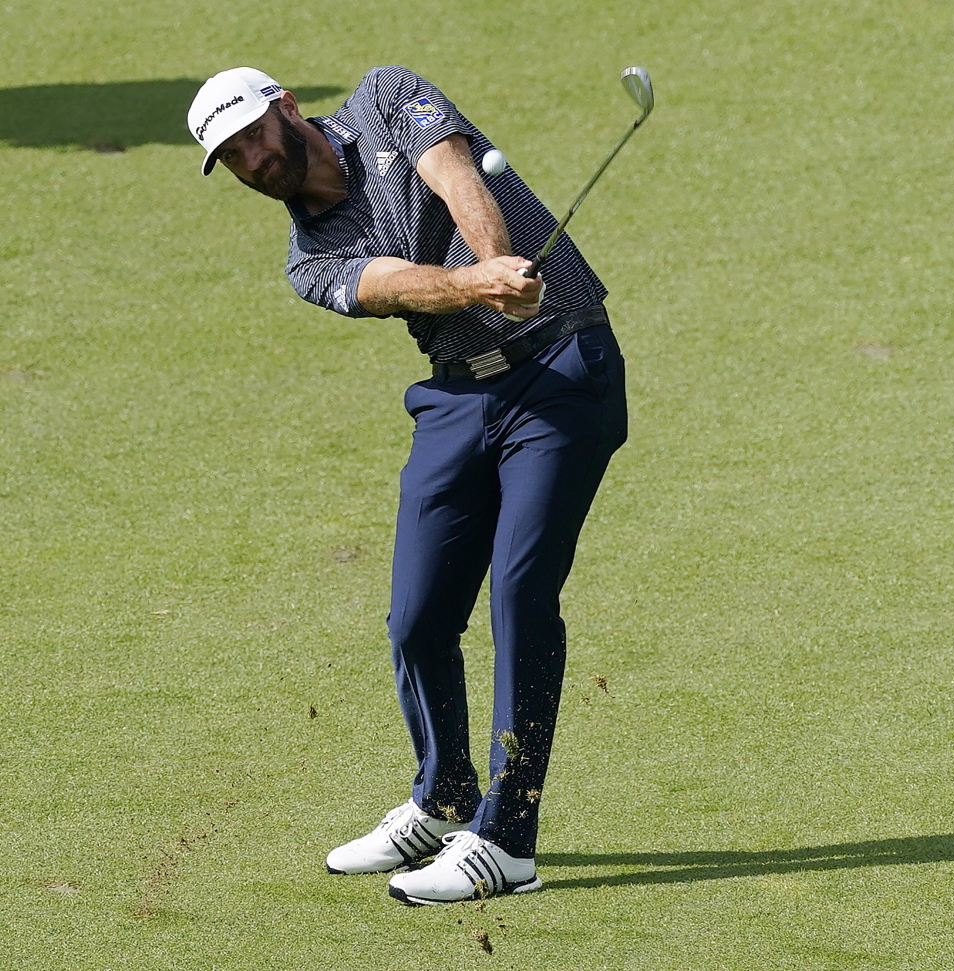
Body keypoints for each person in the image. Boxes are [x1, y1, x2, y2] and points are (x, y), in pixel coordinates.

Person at [186, 66, 628, 905]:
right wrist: (476, 286)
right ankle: (445, 795)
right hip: (458, 395)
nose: (249, 160)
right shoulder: (308, 257)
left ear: (285, 107)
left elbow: (454, 172)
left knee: (521, 593)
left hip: (562, 369)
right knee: (417, 614)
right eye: (230, 156)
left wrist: (498, 262)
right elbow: (389, 284)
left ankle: (506, 838)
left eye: (250, 136)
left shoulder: (384, 98)